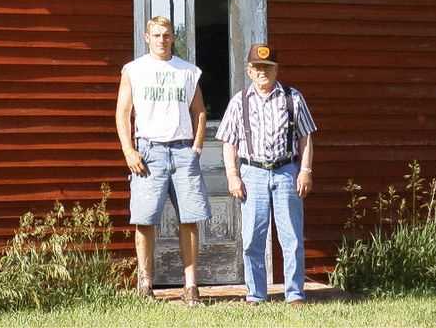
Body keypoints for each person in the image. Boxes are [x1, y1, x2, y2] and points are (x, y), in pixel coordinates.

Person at [115, 16, 210, 307]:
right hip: (149, 152)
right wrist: (129, 151)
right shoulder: (134, 70)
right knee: (144, 220)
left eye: (167, 35)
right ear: (146, 37)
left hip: (183, 152)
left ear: (173, 37)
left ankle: (191, 286)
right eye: (156, 35)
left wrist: (196, 147)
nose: (162, 40)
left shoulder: (188, 71)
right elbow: (122, 113)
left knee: (190, 219)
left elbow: (200, 112)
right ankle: (145, 285)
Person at [215, 43, 316, 305]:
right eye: (258, 67)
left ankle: (294, 294)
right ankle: (256, 295)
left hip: (286, 172)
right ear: (249, 71)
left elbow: (305, 138)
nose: (263, 72)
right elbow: (229, 142)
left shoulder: (293, 98)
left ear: (276, 70)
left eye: (268, 68)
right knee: (252, 239)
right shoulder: (239, 102)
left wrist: (305, 171)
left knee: (291, 237)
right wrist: (232, 175)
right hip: (253, 174)